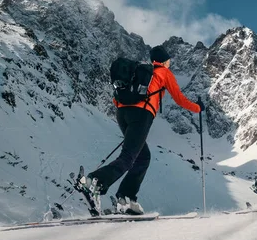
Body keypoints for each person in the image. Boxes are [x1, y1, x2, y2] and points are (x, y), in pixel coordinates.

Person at [81, 45, 204, 215]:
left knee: (143, 157)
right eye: (168, 60)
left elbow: (118, 98)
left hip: (122, 114)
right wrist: (198, 108)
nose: (169, 63)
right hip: (141, 115)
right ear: (164, 60)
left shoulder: (140, 73)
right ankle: (95, 181)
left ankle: (126, 198)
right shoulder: (163, 73)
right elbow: (180, 99)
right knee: (128, 157)